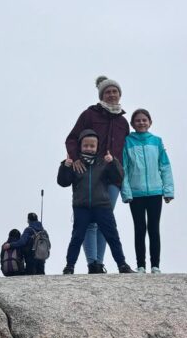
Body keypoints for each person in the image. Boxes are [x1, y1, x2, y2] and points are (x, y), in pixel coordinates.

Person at [65, 76, 129, 272]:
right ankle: (92, 262)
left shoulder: (123, 122)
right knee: (88, 222)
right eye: (107, 92)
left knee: (105, 220)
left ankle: (99, 263)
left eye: (114, 91)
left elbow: (126, 151)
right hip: (89, 173)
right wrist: (75, 159)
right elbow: (72, 138)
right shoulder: (89, 114)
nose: (111, 95)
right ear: (101, 95)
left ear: (119, 95)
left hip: (112, 176)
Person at [58, 129, 133, 274]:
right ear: (80, 146)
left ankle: (122, 265)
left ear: (97, 147)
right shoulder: (74, 163)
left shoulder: (103, 162)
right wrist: (65, 166)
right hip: (82, 207)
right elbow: (63, 182)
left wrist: (113, 163)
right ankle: (69, 266)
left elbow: (118, 177)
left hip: (102, 206)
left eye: (92, 146)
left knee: (112, 236)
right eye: (85, 145)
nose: (89, 148)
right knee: (77, 237)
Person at [121, 108, 174, 274]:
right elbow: (124, 169)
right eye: (138, 120)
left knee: (154, 228)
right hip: (136, 194)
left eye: (144, 120)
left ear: (150, 122)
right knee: (139, 228)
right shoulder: (127, 141)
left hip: (155, 192)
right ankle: (141, 265)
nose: (141, 122)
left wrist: (168, 190)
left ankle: (155, 265)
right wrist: (126, 193)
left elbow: (165, 167)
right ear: (132, 124)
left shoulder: (157, 141)